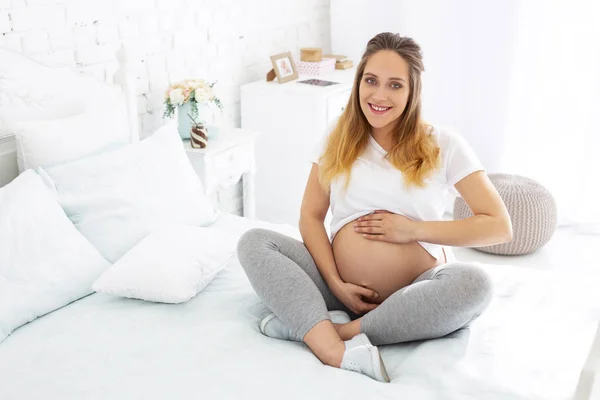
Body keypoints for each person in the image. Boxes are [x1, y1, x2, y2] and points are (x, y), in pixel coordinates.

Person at [237, 32, 512, 383]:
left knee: (475, 284)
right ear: (358, 84)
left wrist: (412, 230)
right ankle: (334, 350)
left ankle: (329, 330)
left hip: (413, 294)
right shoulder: (339, 136)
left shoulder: (442, 144)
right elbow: (310, 216)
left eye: (395, 85)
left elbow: (498, 225)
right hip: (336, 286)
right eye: (371, 81)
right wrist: (336, 283)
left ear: (413, 92)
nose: (379, 95)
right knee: (255, 242)